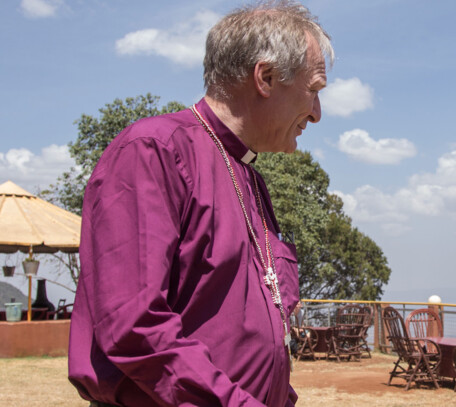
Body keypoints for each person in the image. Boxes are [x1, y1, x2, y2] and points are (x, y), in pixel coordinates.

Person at [68, 2, 333, 406]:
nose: (316, 114)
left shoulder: (250, 177)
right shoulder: (153, 151)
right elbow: (133, 324)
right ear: (265, 77)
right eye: (313, 90)